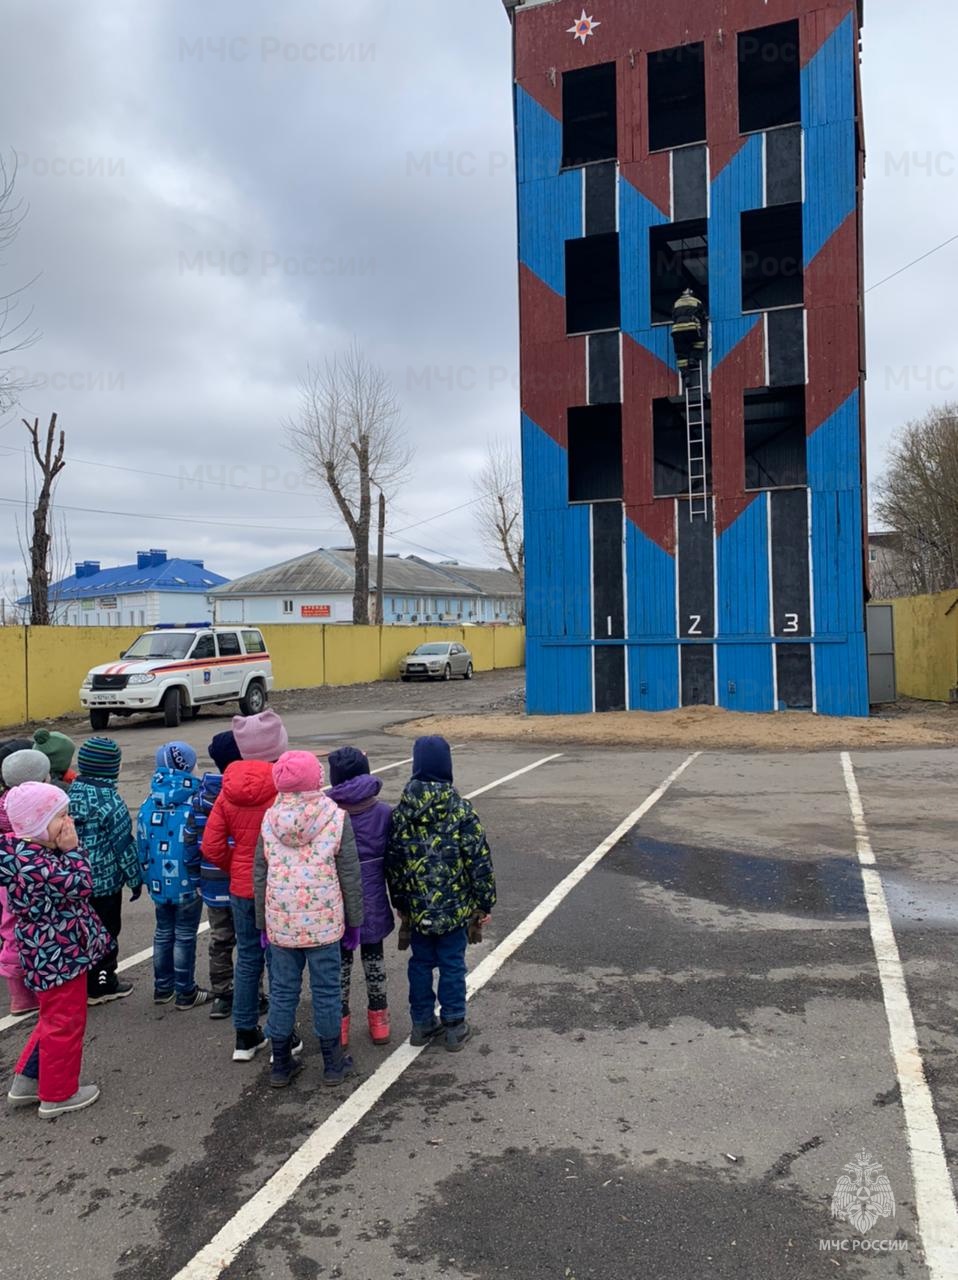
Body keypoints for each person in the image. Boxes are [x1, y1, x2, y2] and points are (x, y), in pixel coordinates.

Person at [2, 781, 111, 1117]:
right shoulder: (38, 863)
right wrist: (74, 850)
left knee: (53, 1016)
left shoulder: (24, 853)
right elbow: (81, 884)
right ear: (36, 825)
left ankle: (29, 1079)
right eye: (60, 816)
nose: (68, 822)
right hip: (58, 953)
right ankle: (58, 1094)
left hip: (50, 951)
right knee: (66, 1020)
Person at [255, 751, 364, 1088]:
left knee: (283, 992)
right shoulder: (335, 817)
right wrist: (355, 920)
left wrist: (261, 922)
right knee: (327, 992)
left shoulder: (269, 819)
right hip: (324, 923)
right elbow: (349, 873)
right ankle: (332, 1063)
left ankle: (281, 1064)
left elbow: (260, 872)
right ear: (317, 779)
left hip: (281, 923)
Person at [385, 736, 496, 1053]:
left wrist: (402, 904)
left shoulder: (401, 814)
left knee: (420, 964)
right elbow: (479, 860)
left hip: (417, 910)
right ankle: (454, 1023)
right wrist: (483, 901)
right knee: (451, 964)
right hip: (455, 909)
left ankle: (421, 1023)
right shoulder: (461, 812)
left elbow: (393, 864)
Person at [202, 709, 288, 1062]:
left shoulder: (228, 788)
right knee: (279, 959)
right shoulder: (283, 786)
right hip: (276, 887)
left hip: (240, 889)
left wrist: (236, 867)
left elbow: (211, 845)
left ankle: (244, 1036)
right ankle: (284, 1033)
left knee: (248, 958)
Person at [327, 746, 394, 1048]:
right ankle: (378, 1018)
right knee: (374, 958)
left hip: (338, 897)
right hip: (374, 897)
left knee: (340, 962)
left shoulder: (330, 814)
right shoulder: (383, 813)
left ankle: (340, 1023)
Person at [69, 737, 142, 1005]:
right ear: (113, 768)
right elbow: (123, 844)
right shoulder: (110, 801)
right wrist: (135, 879)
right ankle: (103, 982)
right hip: (104, 883)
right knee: (107, 932)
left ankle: (81, 980)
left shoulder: (67, 794)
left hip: (71, 881)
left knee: (80, 932)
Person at [138, 742, 209, 1010]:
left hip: (157, 879)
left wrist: (144, 872)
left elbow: (141, 843)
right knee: (185, 934)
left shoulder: (148, 801)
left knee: (163, 931)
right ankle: (185, 990)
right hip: (187, 881)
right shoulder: (196, 801)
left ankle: (162, 987)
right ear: (188, 767)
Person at [183, 729, 243, 1020]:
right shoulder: (245, 794)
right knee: (247, 941)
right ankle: (250, 995)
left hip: (212, 882)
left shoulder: (199, 799)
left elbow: (189, 840)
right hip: (243, 883)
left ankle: (222, 994)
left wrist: (195, 877)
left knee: (220, 939)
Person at [0, 741, 41, 1018]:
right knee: (27, 927)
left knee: (10, 926)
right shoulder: (31, 808)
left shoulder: (3, 803)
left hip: (7, 870)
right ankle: (30, 994)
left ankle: (19, 997)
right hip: (27, 869)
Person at [671, 288, 707, 372]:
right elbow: (702, 316)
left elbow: (673, 317)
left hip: (677, 330)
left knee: (681, 353)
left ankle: (685, 374)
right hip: (691, 328)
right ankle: (693, 358)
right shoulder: (697, 302)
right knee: (700, 340)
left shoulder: (676, 303)